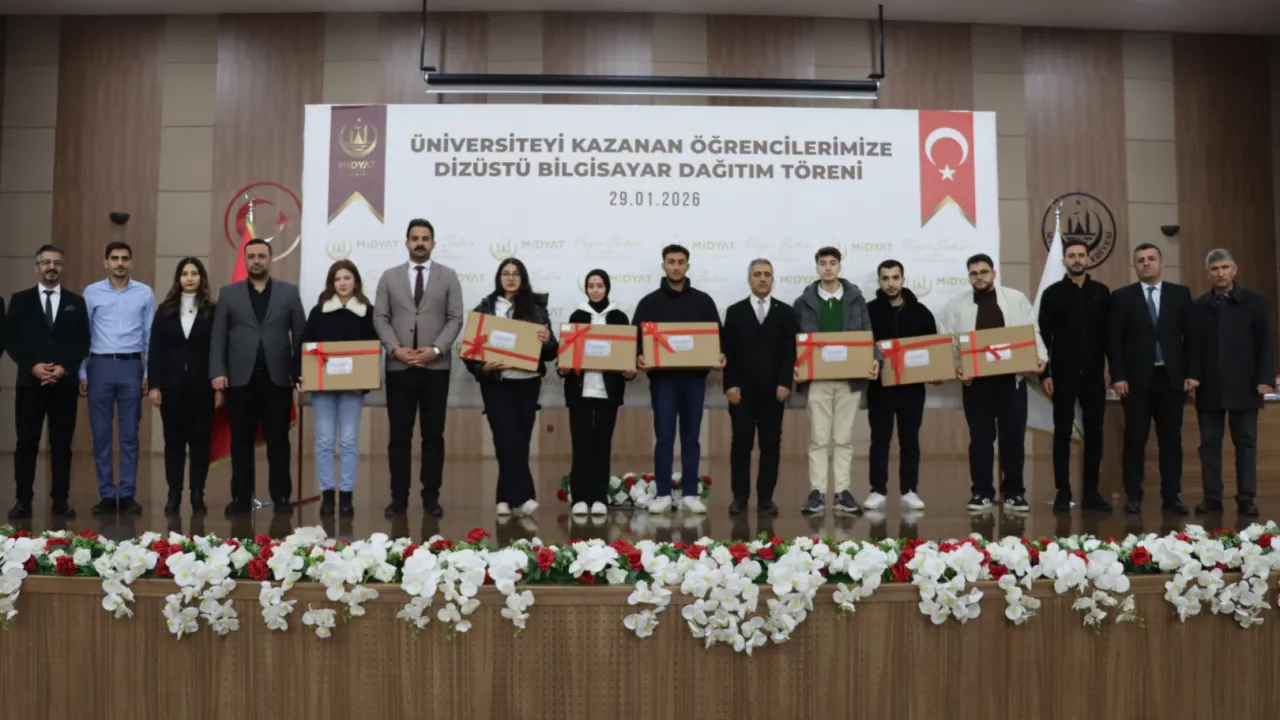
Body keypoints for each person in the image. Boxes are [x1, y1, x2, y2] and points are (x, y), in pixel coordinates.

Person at [937, 253, 1046, 513]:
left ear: (994, 273)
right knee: (980, 440)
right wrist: (957, 368)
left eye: (984, 272)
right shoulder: (955, 306)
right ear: (969, 277)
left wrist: (1041, 358)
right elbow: (949, 343)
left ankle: (1014, 493)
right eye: (974, 273)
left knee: (1013, 439)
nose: (979, 277)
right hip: (977, 386)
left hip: (1012, 381)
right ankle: (981, 493)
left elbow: (1032, 331)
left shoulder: (1015, 299)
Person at [209, 238, 307, 516]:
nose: (256, 261)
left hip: (278, 380)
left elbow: (300, 336)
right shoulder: (229, 294)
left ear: (270, 259)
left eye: (261, 256)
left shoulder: (289, 293)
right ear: (245, 259)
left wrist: (299, 371)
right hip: (240, 381)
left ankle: (281, 496)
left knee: (279, 442)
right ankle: (241, 498)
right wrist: (217, 372)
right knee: (241, 441)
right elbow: (218, 336)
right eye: (251, 256)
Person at [373, 219, 463, 518]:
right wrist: (395, 349)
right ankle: (398, 499)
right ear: (407, 242)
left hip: (436, 368)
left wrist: (435, 350)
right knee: (399, 437)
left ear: (433, 243)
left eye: (425, 238)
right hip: (399, 368)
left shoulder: (448, 276)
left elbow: (455, 318)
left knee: (433, 436)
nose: (420, 243)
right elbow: (380, 318)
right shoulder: (389, 277)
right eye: (415, 238)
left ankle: (431, 498)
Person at [462, 258, 558, 517]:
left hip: (527, 384)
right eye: (506, 273)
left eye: (516, 273)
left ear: (522, 278)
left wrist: (547, 341)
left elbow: (551, 352)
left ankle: (503, 498)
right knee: (505, 439)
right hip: (498, 384)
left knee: (520, 441)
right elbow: (469, 353)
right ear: (499, 278)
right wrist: (484, 368)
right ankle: (524, 497)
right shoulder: (486, 308)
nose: (511, 277)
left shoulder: (536, 308)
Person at [632, 244, 725, 514]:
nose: (676, 266)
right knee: (664, 437)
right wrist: (638, 356)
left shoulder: (703, 301)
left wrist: (721, 355)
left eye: (680, 262)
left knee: (691, 438)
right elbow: (635, 340)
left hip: (694, 380)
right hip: (663, 381)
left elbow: (718, 338)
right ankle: (662, 493)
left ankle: (690, 494)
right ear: (663, 265)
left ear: (687, 265)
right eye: (671, 262)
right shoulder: (649, 303)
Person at [1108, 243, 1198, 515]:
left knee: (1171, 440)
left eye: (1151, 259)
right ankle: (1133, 495)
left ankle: (1171, 496)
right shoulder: (1122, 296)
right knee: (1135, 439)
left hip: (1171, 380)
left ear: (1161, 263)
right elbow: (1114, 340)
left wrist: (1192, 373)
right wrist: (1118, 375)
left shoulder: (1180, 294)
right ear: (1135, 266)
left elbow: (1192, 337)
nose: (1146, 263)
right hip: (1135, 382)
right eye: (1140, 260)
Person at [793, 246, 880, 516]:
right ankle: (817, 492)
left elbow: (867, 333)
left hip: (848, 380)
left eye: (832, 263)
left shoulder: (855, 299)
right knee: (819, 438)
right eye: (823, 263)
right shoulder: (802, 302)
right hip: (817, 380)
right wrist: (795, 367)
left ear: (839, 267)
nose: (828, 267)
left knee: (843, 438)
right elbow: (794, 340)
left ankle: (843, 492)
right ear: (817, 267)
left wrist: (874, 359)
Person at [6, 245, 88, 520]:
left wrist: (64, 367)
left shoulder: (76, 302)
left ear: (62, 268)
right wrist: (33, 366)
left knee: (62, 445)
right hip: (30, 384)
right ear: (37, 267)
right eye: (45, 262)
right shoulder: (20, 300)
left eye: (56, 263)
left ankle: (60, 501)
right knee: (26, 443)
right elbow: (12, 340)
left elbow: (83, 341)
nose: (51, 267)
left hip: (64, 385)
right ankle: (23, 500)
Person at [1191, 249, 1274, 517]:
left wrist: (1265, 378)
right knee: (1209, 446)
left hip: (1246, 385)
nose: (1220, 273)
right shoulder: (1199, 306)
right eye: (1215, 269)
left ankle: (1246, 498)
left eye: (1225, 267)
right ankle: (1212, 498)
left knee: (1246, 445)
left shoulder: (1254, 302)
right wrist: (1192, 377)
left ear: (1234, 270)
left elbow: (1265, 342)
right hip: (1210, 386)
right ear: (1208, 273)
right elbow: (1193, 347)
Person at [80, 241, 157, 515]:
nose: (120, 263)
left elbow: (151, 337)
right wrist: (82, 371)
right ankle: (106, 493)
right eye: (114, 258)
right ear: (106, 262)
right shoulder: (91, 292)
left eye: (125, 258)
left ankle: (126, 493)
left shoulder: (145, 293)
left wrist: (148, 373)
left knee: (129, 435)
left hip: (131, 366)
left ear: (131, 262)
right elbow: (83, 335)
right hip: (99, 365)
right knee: (101, 434)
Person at [298, 260, 379, 517]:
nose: (342, 283)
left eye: (347, 278)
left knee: (348, 441)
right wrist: (302, 376)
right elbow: (305, 346)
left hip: (352, 391)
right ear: (331, 283)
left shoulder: (367, 312)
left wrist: (364, 384)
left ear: (355, 281)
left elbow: (373, 352)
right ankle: (327, 495)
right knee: (324, 442)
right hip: (322, 389)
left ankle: (346, 495)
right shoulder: (319, 311)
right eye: (337, 279)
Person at [1037, 239, 1112, 513]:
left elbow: (1110, 336)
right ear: (1064, 261)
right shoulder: (1052, 294)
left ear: (1089, 259)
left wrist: (1114, 372)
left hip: (1094, 376)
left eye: (1081, 255)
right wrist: (1045, 374)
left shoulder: (1102, 293)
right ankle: (1063, 490)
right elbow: (1043, 337)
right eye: (1072, 255)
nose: (1077, 260)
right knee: (1062, 433)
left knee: (1095, 433)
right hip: (1062, 376)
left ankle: (1091, 491)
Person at [722, 258, 797, 516]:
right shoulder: (735, 311)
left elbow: (789, 352)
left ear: (773, 279)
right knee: (741, 444)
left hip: (774, 393)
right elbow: (727, 351)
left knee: (771, 445)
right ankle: (740, 497)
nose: (762, 278)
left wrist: (785, 382)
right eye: (757, 274)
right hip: (741, 393)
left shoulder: (785, 312)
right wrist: (730, 384)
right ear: (749, 279)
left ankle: (765, 498)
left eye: (767, 274)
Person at [560, 269, 635, 517]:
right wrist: (563, 367)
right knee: (580, 444)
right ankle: (580, 497)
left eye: (600, 285)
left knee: (602, 444)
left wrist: (629, 371)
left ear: (607, 288)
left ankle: (600, 497)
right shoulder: (578, 316)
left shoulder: (619, 317)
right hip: (580, 391)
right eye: (591, 286)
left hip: (608, 392)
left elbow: (627, 357)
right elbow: (566, 355)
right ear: (586, 289)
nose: (595, 290)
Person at [147, 257, 219, 516]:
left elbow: (218, 349)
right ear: (178, 278)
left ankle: (197, 493)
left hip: (203, 386)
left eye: (194, 273)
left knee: (200, 441)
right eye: (185, 273)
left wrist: (218, 386)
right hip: (171, 386)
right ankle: (174, 493)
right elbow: (155, 349)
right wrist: (154, 385)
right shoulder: (165, 310)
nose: (189, 278)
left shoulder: (212, 311)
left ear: (201, 278)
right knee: (174, 441)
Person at [864, 259, 934, 513]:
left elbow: (932, 351)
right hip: (879, 388)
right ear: (879, 281)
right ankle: (877, 490)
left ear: (903, 279)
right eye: (885, 278)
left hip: (912, 389)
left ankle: (909, 490)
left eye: (895, 277)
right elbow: (862, 347)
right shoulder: (868, 311)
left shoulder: (921, 312)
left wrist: (935, 371)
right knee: (879, 439)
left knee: (910, 440)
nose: (891, 283)